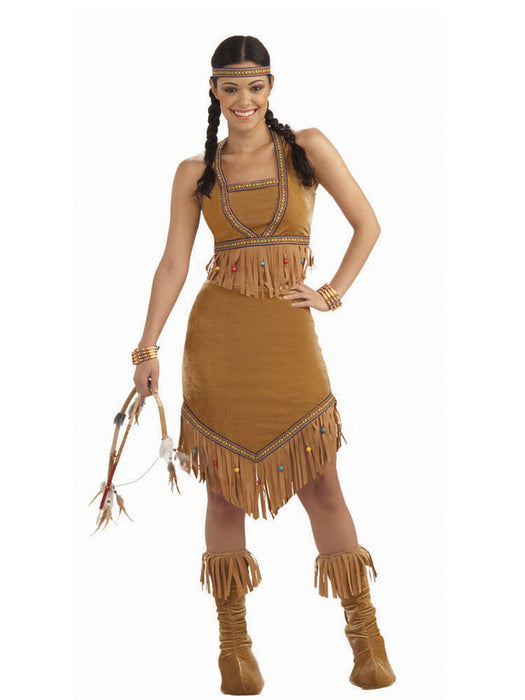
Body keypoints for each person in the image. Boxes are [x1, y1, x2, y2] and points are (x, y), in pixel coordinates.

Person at [132, 35, 396, 695]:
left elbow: (368, 224)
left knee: (322, 483)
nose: (243, 100)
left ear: (270, 87)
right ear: (214, 91)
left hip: (287, 340)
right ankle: (235, 649)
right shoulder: (196, 171)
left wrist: (331, 292)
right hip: (216, 343)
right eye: (230, 88)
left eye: (254, 87)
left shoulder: (306, 147)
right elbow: (173, 263)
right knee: (223, 492)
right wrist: (147, 347)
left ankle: (365, 636)